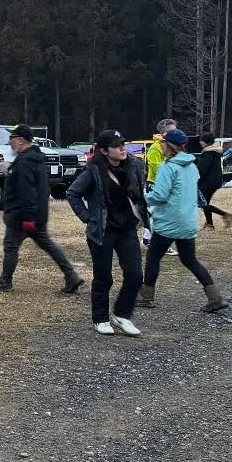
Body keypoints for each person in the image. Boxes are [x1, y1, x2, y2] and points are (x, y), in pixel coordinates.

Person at [65, 129, 148, 337]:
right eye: (117, 146)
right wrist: (87, 217)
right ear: (103, 150)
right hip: (102, 231)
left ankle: (122, 315)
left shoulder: (134, 166)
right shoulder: (92, 171)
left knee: (135, 275)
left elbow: (139, 195)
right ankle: (100, 319)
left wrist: (144, 218)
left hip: (127, 228)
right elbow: (72, 193)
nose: (123, 149)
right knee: (103, 277)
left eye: (124, 144)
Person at [0, 124, 84, 295]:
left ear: (20, 140)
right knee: (48, 245)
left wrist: (28, 218)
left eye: (12, 139)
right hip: (37, 213)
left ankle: (5, 282)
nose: (10, 143)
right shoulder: (36, 157)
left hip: (22, 215)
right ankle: (71, 276)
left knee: (10, 247)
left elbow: (27, 191)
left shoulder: (24, 162)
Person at [139, 129, 230, 313]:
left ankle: (146, 297)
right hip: (187, 221)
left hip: (168, 222)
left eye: (163, 143)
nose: (161, 146)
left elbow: (160, 195)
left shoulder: (168, 167)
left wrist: (143, 197)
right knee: (190, 260)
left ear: (169, 146)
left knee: (153, 257)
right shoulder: (191, 166)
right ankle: (215, 297)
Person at [193, 133, 232, 230]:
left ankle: (226, 215)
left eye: (202, 140)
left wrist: (194, 167)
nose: (200, 142)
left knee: (202, 203)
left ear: (207, 142)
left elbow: (202, 170)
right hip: (215, 181)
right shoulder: (216, 152)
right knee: (205, 203)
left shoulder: (208, 153)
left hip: (208, 183)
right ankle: (210, 225)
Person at [145, 118, 178, 189]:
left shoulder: (174, 146)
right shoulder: (155, 148)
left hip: (169, 184)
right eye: (173, 131)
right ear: (164, 133)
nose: (176, 133)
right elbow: (156, 169)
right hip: (156, 185)